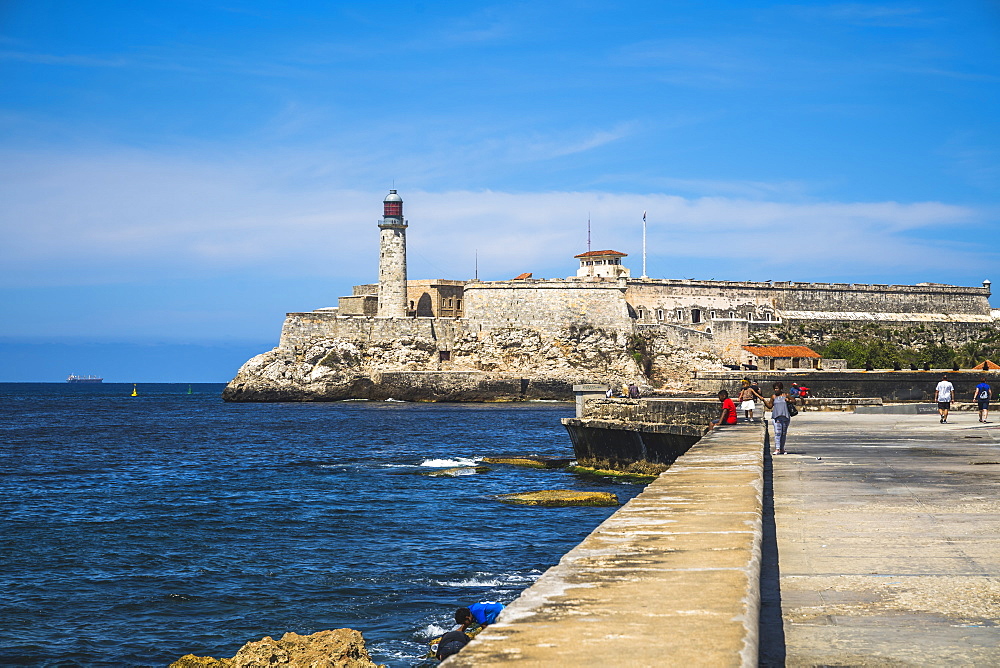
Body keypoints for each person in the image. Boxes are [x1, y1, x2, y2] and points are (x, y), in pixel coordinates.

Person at [763, 382, 795, 454]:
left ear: (781, 389)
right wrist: (764, 401)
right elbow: (770, 406)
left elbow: (794, 401)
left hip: (785, 416)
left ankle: (782, 448)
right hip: (776, 417)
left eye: (777, 388)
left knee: (783, 433)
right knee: (777, 433)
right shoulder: (773, 397)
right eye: (774, 388)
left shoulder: (786, 395)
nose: (775, 390)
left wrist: (789, 400)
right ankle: (777, 449)